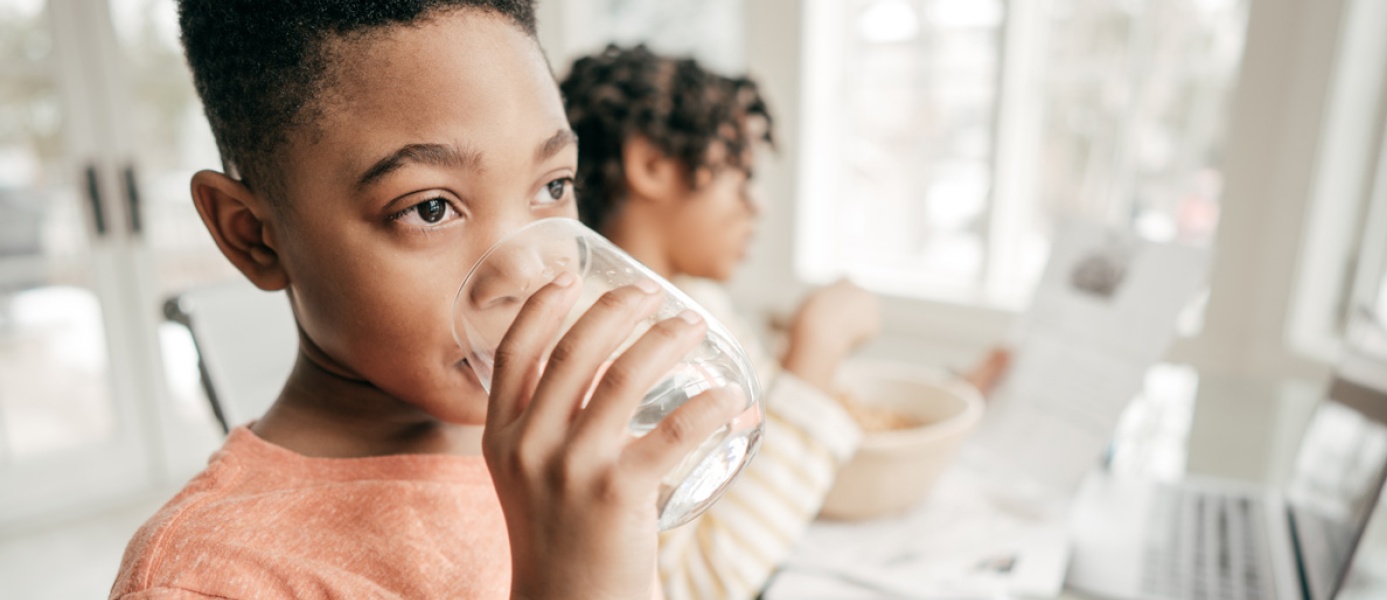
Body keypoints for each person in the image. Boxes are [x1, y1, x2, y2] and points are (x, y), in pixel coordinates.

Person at [110, 3, 744, 599]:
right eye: (431, 208)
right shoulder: (208, 576)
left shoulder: (561, 442)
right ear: (253, 236)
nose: (528, 271)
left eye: (553, 185)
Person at [560, 44, 1011, 600]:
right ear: (651, 164)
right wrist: (816, 347)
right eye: (741, 175)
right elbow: (695, 583)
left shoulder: (700, 302)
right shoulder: (614, 343)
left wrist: (955, 390)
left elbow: (771, 453)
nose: (759, 205)